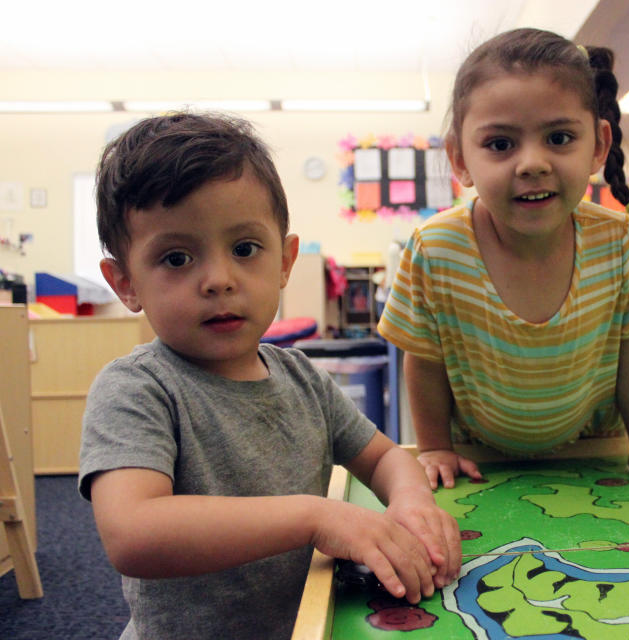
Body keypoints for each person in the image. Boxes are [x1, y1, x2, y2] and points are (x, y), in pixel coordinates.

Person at [79, 112, 460, 640]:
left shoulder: (301, 377)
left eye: (244, 249)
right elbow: (132, 533)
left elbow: (384, 456)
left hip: (311, 625)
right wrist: (316, 517)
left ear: (284, 260)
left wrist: (411, 501)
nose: (218, 280)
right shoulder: (137, 389)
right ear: (125, 282)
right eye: (176, 257)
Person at [377, 28, 629, 490]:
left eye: (558, 137)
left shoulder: (616, 242)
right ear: (459, 158)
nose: (532, 163)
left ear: (598, 145)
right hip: (477, 465)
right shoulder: (435, 250)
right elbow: (425, 361)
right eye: (500, 144)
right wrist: (435, 448)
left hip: (595, 458)